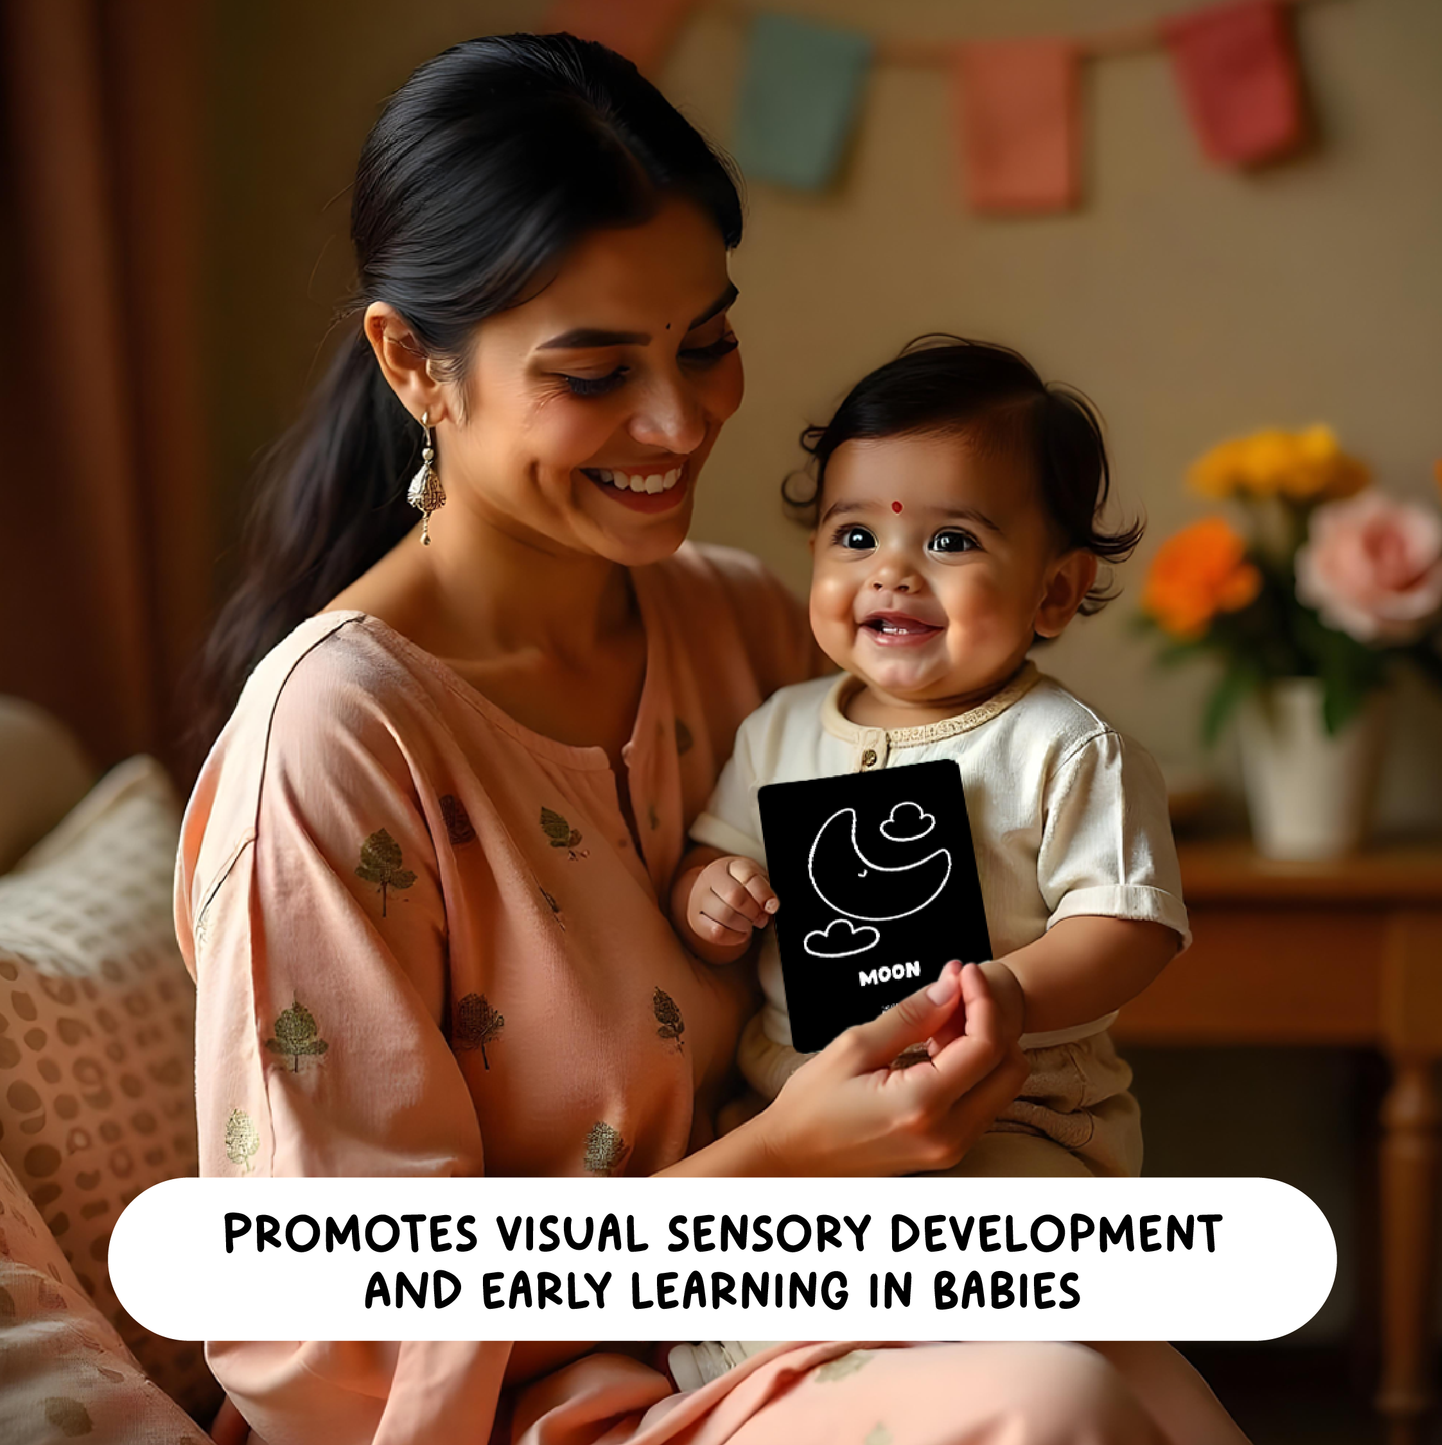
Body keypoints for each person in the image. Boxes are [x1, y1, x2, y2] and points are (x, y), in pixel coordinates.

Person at [180, 32, 1248, 1445]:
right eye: (595, 373)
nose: (680, 422)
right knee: (1044, 1403)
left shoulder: (745, 628)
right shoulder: (336, 742)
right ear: (414, 365)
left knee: (1130, 1373)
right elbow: (334, 1339)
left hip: (845, 1301)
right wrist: (781, 1166)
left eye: (706, 343)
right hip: (539, 1407)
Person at [672, 338, 1185, 1182]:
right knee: (754, 1308)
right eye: (856, 534)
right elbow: (716, 853)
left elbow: (1128, 927)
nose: (892, 571)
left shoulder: (1066, 748)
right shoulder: (779, 727)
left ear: (1053, 591)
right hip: (795, 1116)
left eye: (950, 541)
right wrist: (710, 895)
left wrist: (1010, 996)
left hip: (1006, 1121)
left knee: (999, 1298)